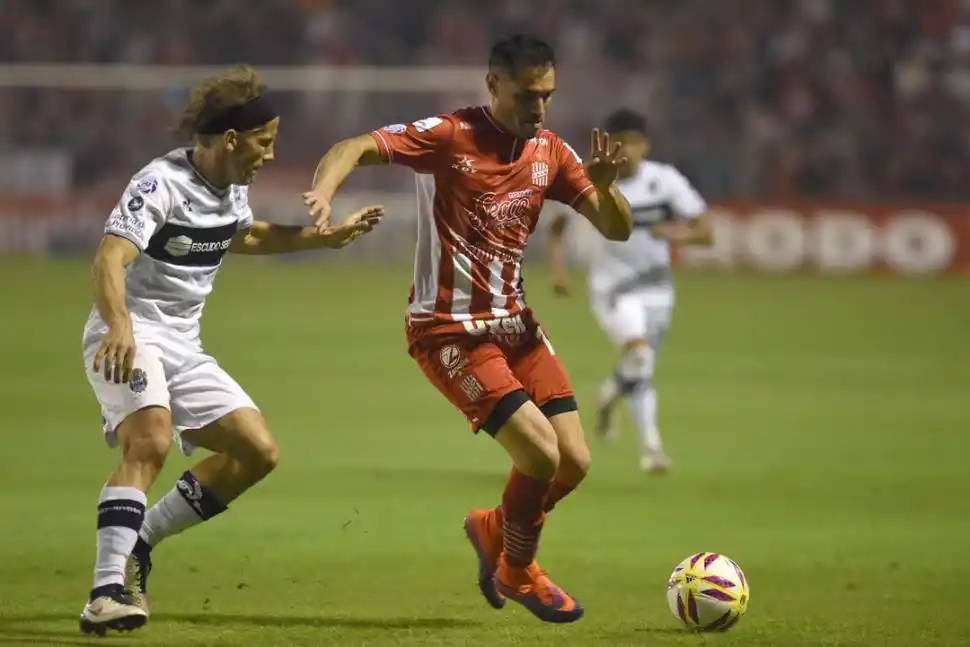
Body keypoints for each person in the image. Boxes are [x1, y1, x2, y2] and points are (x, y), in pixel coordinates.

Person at [304, 34, 633, 623]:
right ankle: (517, 569)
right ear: (493, 85)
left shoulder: (550, 150)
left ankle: (493, 526)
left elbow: (617, 230)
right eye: (528, 95)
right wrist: (323, 195)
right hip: (448, 330)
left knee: (574, 463)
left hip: (515, 326)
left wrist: (605, 188)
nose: (539, 109)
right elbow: (353, 145)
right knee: (538, 453)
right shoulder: (449, 135)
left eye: (548, 96)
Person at [79, 64, 383, 636]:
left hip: (182, 344)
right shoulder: (159, 183)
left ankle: (141, 540)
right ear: (232, 139)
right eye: (265, 143)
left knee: (257, 451)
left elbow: (243, 234)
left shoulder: (230, 185)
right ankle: (105, 591)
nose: (270, 155)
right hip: (129, 330)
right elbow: (109, 258)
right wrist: (119, 326)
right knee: (149, 439)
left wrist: (327, 237)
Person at [547, 108, 713, 473]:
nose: (627, 151)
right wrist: (559, 271)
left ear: (646, 146)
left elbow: (706, 232)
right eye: (619, 143)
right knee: (639, 357)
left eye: (634, 143)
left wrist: (672, 233)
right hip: (612, 288)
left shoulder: (665, 182)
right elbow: (556, 227)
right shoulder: (594, 179)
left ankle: (608, 396)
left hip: (657, 288)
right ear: (609, 145)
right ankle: (652, 448)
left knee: (643, 367)